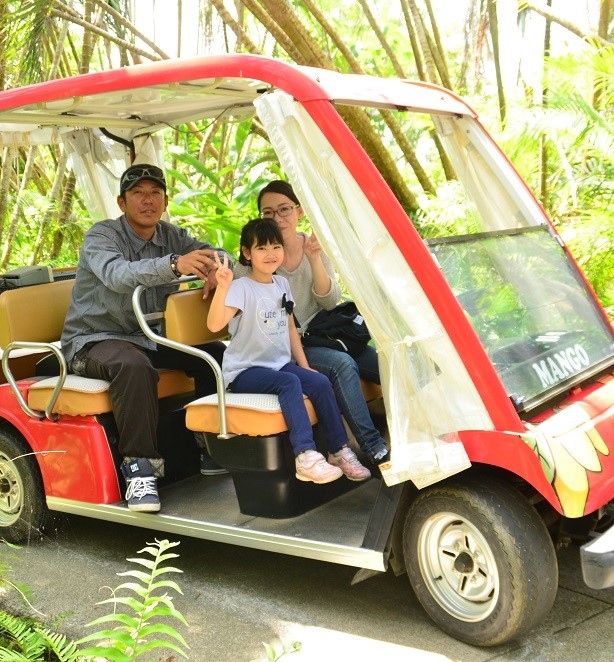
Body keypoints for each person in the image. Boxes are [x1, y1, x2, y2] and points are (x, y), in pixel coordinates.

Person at [60, 163, 227, 513]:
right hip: (95, 340)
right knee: (132, 365)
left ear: (166, 200)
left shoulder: (171, 235)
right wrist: (173, 266)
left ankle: (210, 446)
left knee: (212, 355)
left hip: (149, 337)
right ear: (122, 202)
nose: (148, 201)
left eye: (155, 193)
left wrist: (216, 268)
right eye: (138, 193)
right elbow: (117, 274)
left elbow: (214, 252)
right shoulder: (102, 236)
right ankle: (139, 466)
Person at [234, 180, 389, 465]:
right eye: (268, 213)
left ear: (299, 211)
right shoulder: (256, 258)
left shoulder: (313, 244)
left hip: (325, 334)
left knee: (386, 360)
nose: (278, 218)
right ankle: (374, 447)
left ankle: (440, 427)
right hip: (291, 345)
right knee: (343, 365)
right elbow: (237, 311)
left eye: (284, 210)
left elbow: (329, 302)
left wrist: (314, 258)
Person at [207, 217, 370, 484]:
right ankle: (305, 456)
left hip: (279, 364)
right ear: (247, 253)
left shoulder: (282, 285)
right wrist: (223, 286)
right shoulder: (241, 287)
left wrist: (304, 364)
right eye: (261, 248)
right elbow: (215, 324)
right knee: (289, 382)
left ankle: (338, 451)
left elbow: (291, 328)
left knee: (318, 381)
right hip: (245, 371)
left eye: (276, 247)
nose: (270, 254)